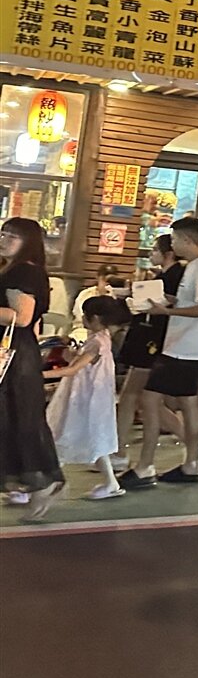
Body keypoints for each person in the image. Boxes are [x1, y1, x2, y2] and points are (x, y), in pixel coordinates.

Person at [122, 216, 198, 488]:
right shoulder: (195, 267)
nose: (173, 243)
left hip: (185, 348)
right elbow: (193, 302)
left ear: (188, 240)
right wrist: (166, 301)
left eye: (175, 238)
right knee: (187, 404)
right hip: (183, 346)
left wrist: (166, 311)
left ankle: (145, 466)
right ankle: (191, 462)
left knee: (149, 399)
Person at [0, 218, 67, 520]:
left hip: (13, 356)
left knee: (21, 419)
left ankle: (42, 484)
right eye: (3, 233)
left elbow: (22, 316)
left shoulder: (24, 271)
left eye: (13, 236)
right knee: (19, 418)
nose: (5, 239)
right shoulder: (17, 268)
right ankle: (32, 485)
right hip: (17, 354)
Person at [111, 236, 185, 470]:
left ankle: (121, 452)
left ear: (168, 253)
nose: (150, 254)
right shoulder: (166, 276)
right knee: (144, 399)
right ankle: (192, 441)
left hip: (151, 341)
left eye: (154, 249)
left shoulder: (175, 277)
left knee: (133, 397)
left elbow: (173, 304)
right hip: (148, 339)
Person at [46, 295, 130, 500]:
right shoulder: (100, 339)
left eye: (85, 315)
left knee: (61, 435)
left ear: (96, 319)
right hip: (89, 398)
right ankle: (111, 482)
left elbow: (73, 369)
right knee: (92, 438)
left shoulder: (97, 342)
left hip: (84, 400)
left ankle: (41, 486)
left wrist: (37, 374)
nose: (82, 319)